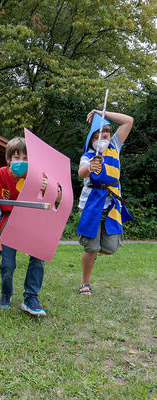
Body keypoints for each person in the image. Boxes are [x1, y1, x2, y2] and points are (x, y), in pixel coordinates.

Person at [76, 110, 133, 296]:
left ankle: (91, 251)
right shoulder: (88, 155)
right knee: (91, 248)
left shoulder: (115, 147)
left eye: (106, 133)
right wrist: (89, 168)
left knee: (110, 247)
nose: (103, 137)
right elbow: (80, 173)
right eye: (98, 135)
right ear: (91, 139)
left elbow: (128, 121)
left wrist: (101, 112)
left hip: (112, 205)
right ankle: (85, 282)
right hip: (92, 206)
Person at [0, 137, 48, 316]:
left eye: (25, 158)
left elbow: (54, 193)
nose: (21, 162)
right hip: (9, 221)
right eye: (17, 158)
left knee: (37, 258)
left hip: (32, 220)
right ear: (9, 159)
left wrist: (48, 188)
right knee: (7, 264)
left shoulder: (37, 175)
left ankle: (31, 296)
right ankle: (6, 293)